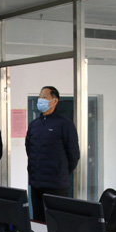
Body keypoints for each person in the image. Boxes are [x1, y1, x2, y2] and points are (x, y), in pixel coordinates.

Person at [25, 86, 80, 223]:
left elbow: (73, 154)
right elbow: (29, 149)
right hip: (36, 183)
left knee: (56, 222)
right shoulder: (34, 125)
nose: (40, 100)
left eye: (44, 97)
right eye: (39, 97)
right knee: (38, 221)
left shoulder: (65, 125)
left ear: (55, 101)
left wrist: (61, 172)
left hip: (56, 184)